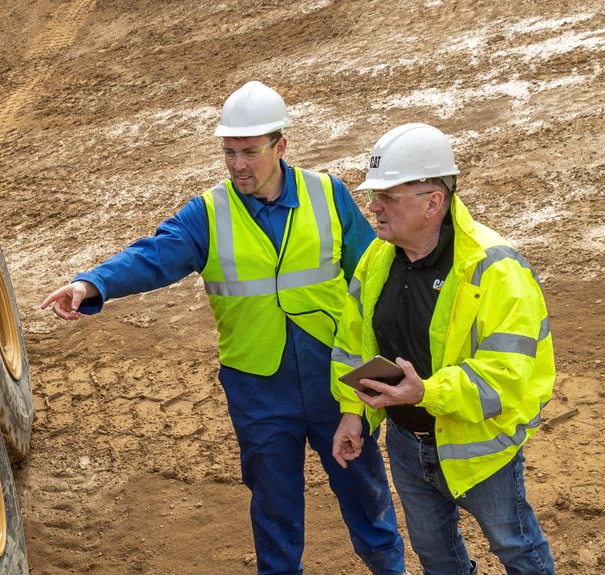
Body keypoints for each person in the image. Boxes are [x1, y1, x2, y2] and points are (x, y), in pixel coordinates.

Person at [41, 81, 406, 575]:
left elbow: (374, 272)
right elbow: (154, 256)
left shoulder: (328, 195)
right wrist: (91, 285)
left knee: (365, 491)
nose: (238, 165)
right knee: (274, 506)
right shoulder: (208, 213)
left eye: (250, 152)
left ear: (281, 146)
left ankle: (390, 568)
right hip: (258, 386)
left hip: (337, 377)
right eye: (229, 152)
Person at [329, 123, 557, 575]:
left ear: (433, 201)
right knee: (435, 556)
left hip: (479, 446)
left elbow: (505, 376)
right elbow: (354, 343)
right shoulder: (378, 257)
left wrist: (426, 393)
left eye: (387, 197)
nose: (372, 207)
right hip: (406, 444)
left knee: (515, 547)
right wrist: (353, 412)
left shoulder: (495, 269)